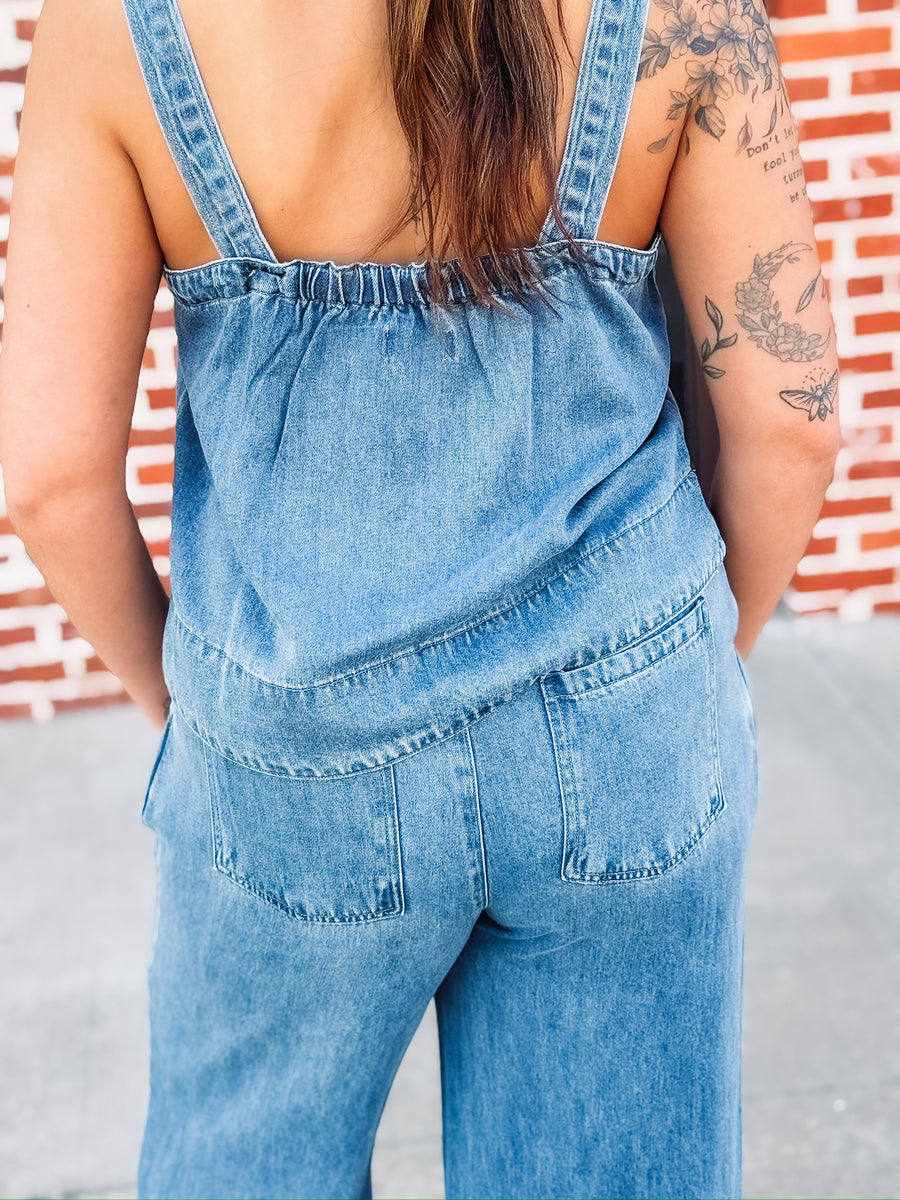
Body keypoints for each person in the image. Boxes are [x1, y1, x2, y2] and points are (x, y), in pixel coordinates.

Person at [0, 0, 840, 1196]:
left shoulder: (112, 26)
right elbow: (792, 428)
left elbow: (50, 480)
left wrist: (201, 725)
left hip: (295, 752)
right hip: (627, 721)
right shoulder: (689, 15)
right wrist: (681, 667)